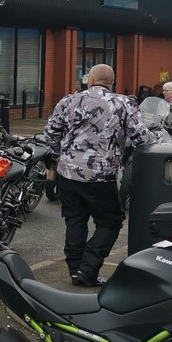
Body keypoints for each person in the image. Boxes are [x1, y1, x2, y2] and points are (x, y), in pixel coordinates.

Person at [42, 64, 152, 287]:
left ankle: (75, 269)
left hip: (68, 173)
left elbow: (50, 133)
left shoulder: (68, 101)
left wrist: (60, 155)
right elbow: (143, 139)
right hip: (101, 176)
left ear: (90, 80)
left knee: (75, 220)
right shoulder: (123, 103)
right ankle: (87, 269)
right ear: (111, 82)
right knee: (110, 223)